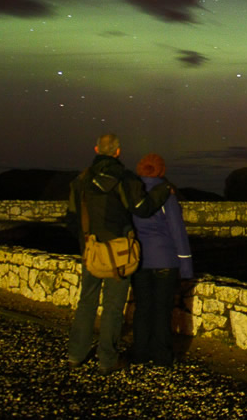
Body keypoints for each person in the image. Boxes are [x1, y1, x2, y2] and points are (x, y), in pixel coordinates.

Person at [66, 133, 170, 374]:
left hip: (91, 250)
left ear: (96, 149)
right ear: (118, 152)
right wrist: (162, 191)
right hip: (119, 253)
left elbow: (71, 218)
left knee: (86, 302)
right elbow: (142, 209)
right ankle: (106, 359)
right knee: (113, 306)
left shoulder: (81, 179)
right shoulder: (125, 178)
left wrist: (86, 243)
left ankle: (76, 354)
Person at [130, 153, 193, 367]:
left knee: (143, 308)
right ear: (161, 170)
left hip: (140, 261)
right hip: (165, 261)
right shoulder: (167, 195)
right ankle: (162, 356)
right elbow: (178, 232)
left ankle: (140, 352)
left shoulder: (132, 194)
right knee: (162, 309)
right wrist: (186, 268)